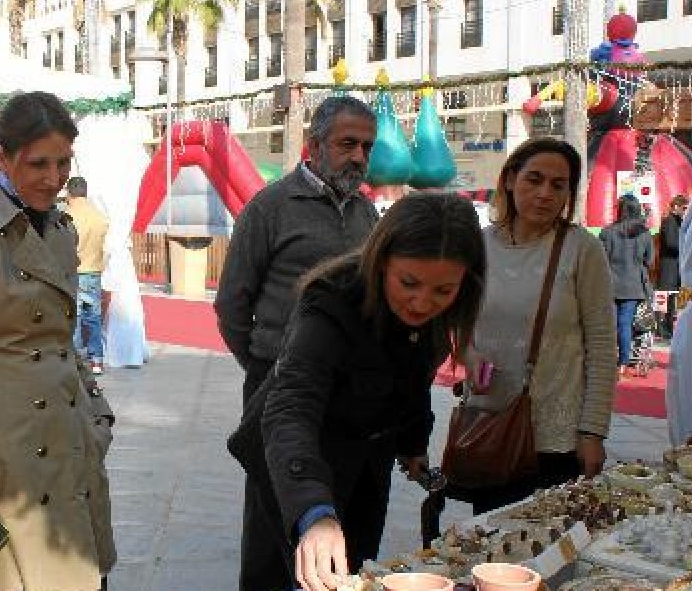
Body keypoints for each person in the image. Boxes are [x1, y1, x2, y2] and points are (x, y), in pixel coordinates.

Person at [227, 193, 487, 591]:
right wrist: (313, 510)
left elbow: (413, 374)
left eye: (442, 291)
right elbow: (291, 409)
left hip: (366, 456)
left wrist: (413, 443)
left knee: (354, 569)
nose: (422, 302)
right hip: (295, 460)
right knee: (290, 573)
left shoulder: (441, 308)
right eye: (409, 283)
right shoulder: (330, 304)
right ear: (381, 262)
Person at [0, 92, 115, 591]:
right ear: (2, 158)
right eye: (38, 164)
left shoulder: (61, 229)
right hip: (6, 458)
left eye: (63, 163)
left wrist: (97, 414)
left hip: (68, 439)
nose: (53, 179)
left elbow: (61, 338)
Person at [463, 139, 616, 514]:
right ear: (511, 180)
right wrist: (469, 355)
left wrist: (592, 431)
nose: (545, 193)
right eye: (534, 179)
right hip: (491, 426)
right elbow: (460, 322)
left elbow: (602, 346)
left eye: (558, 184)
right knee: (491, 549)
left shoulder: (582, 249)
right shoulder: (479, 246)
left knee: (550, 551)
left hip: (556, 439)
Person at [215, 95, 380, 403]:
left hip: (350, 381)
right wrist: (261, 364)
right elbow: (231, 303)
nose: (359, 156)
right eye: (348, 144)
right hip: (279, 380)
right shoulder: (268, 208)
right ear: (315, 146)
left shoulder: (367, 211)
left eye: (367, 147)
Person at [601, 194, 656, 377]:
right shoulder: (644, 234)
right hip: (634, 285)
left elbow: (601, 259)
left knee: (609, 325)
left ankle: (606, 360)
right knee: (625, 324)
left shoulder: (608, 232)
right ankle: (623, 363)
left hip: (610, 283)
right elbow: (649, 260)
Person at [65, 176, 111, 375]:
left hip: (73, 272)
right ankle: (97, 360)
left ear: (69, 193)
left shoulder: (67, 215)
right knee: (92, 317)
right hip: (93, 272)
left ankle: (73, 360)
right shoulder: (99, 216)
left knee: (73, 317)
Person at [657, 194, 687, 337]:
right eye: (684, 208)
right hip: (668, 268)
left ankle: (668, 327)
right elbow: (670, 243)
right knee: (664, 299)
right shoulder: (669, 221)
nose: (685, 211)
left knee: (671, 300)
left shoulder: (678, 222)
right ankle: (661, 327)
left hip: (675, 268)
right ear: (676, 207)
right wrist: (686, 246)